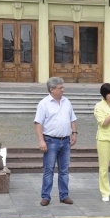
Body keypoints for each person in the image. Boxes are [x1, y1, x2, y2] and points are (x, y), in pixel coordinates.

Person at [34, 77, 77, 206]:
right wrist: (41, 141)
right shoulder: (44, 103)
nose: (63, 90)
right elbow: (38, 123)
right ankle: (46, 196)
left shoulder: (66, 102)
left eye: (63, 87)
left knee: (64, 170)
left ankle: (64, 195)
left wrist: (74, 133)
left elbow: (72, 119)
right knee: (49, 170)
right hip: (50, 141)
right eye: (60, 88)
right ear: (52, 89)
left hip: (65, 141)